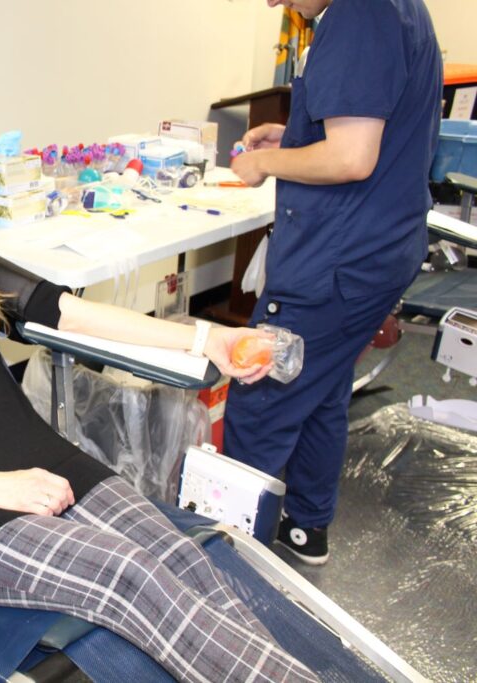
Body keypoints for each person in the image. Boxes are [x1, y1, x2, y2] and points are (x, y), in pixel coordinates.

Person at [0, 89, 319, 682]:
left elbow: (65, 311)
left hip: (43, 465)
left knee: (181, 557)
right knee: (132, 577)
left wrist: (207, 342)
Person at [223, 0, 443, 565]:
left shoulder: (359, 13)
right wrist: (294, 133)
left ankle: (228, 564)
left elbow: (350, 157)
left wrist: (267, 165)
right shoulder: (390, 7)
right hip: (377, 248)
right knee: (319, 389)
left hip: (338, 258)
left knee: (261, 396)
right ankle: (305, 526)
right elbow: (362, 123)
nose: (276, 4)